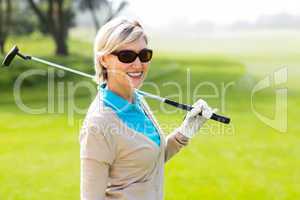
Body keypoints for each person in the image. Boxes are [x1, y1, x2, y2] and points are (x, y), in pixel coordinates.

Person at [79, 18, 215, 200]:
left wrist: (185, 132)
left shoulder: (137, 100)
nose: (138, 65)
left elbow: (149, 160)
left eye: (144, 55)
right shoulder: (99, 123)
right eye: (126, 56)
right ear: (104, 59)